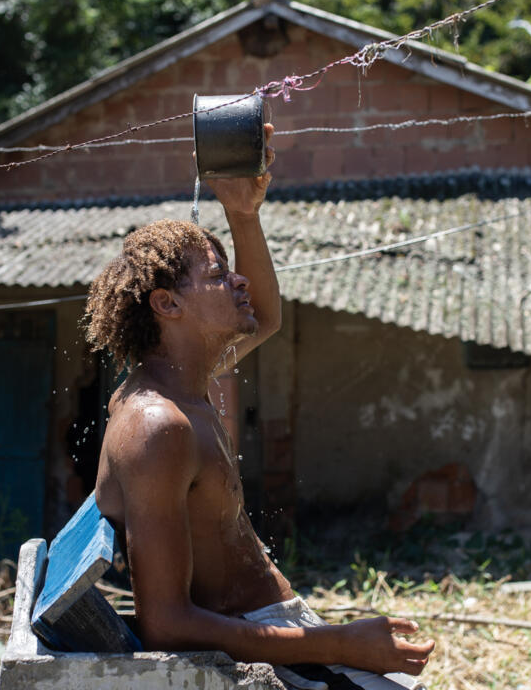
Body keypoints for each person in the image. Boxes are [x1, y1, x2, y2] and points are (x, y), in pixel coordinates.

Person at [83, 124, 435, 689]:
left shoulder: (179, 384)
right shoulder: (157, 425)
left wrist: (242, 213)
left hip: (271, 629)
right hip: (248, 648)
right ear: (167, 303)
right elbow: (166, 625)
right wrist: (341, 641)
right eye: (220, 276)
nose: (239, 281)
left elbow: (267, 318)